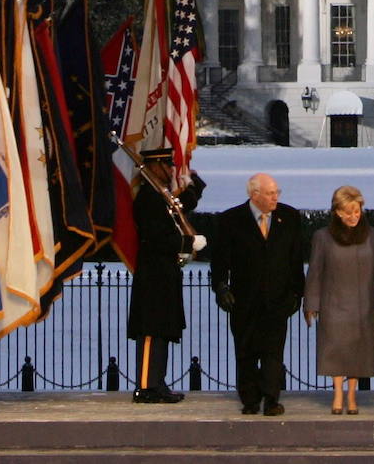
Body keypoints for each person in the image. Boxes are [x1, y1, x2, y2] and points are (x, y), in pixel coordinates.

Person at [211, 172, 305, 416]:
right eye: (271, 193)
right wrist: (221, 287)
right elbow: (220, 260)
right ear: (254, 195)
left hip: (278, 298)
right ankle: (250, 399)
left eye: (277, 192)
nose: (276, 197)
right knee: (245, 351)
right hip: (244, 300)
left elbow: (295, 259)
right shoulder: (231, 220)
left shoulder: (290, 217)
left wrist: (298, 292)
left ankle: (272, 399)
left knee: (273, 352)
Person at [126, 145, 206, 404]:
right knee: (151, 331)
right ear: (155, 166)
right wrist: (186, 244)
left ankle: (157, 382)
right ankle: (147, 386)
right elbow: (156, 236)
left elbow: (182, 208)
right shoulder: (148, 198)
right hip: (153, 275)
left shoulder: (161, 195)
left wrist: (194, 184)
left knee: (162, 330)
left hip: (164, 274)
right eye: (168, 165)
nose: (172, 169)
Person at [303, 184, 374, 415]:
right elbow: (315, 273)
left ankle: (352, 395)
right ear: (337, 212)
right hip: (333, 305)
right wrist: (311, 304)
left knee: (358, 351)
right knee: (336, 350)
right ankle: (338, 394)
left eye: (357, 211)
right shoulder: (322, 237)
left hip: (362, 305)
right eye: (348, 212)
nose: (353, 216)